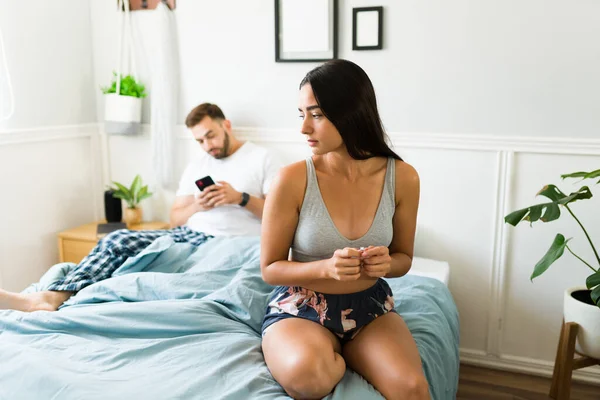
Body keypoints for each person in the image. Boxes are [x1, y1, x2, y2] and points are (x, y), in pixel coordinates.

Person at [0, 103, 281, 313]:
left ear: (226, 125)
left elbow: (279, 217)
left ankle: (63, 299)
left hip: (237, 244)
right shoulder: (198, 164)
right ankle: (54, 296)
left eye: (211, 136)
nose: (207, 145)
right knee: (118, 238)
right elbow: (175, 219)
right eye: (200, 141)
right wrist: (197, 204)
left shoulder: (262, 159)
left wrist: (240, 198)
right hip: (191, 237)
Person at [259, 60, 429, 400]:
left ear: (351, 112)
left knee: (412, 390)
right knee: (308, 378)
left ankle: (351, 350)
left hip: (370, 307)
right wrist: (326, 268)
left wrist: (387, 265)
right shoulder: (291, 179)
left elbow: (404, 259)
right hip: (302, 305)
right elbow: (270, 269)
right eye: (301, 114)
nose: (304, 128)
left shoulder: (403, 178)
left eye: (317, 115)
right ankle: (331, 351)